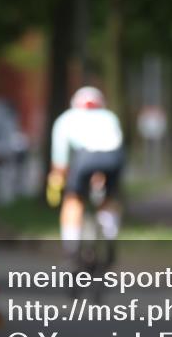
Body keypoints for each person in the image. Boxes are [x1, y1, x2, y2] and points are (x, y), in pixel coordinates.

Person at [46, 86, 125, 270]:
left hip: (85, 159)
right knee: (109, 199)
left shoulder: (66, 120)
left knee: (73, 200)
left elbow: (60, 162)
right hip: (113, 158)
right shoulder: (110, 117)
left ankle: (71, 249)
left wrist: (59, 179)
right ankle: (109, 235)